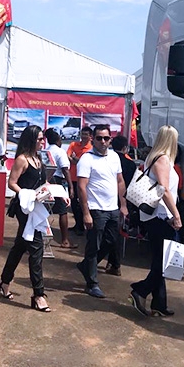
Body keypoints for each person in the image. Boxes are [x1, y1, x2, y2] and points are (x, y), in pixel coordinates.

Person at [0, 125, 53, 312]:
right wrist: (27, 194)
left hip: (37, 206)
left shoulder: (38, 159)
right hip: (25, 208)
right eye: (39, 139)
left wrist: (53, 192)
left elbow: (43, 183)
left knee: (20, 246)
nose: (42, 141)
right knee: (36, 249)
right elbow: (12, 183)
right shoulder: (22, 160)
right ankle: (38, 294)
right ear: (30, 140)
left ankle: (4, 282)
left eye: (42, 138)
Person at [128, 125, 183, 317]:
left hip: (156, 217)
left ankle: (159, 302)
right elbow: (164, 190)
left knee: (160, 260)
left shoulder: (155, 157)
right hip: (161, 217)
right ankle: (141, 290)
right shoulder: (163, 160)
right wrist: (176, 215)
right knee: (163, 263)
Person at [75, 125, 128, 298]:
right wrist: (86, 213)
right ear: (93, 139)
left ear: (110, 139)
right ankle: (92, 283)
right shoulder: (86, 159)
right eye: (99, 138)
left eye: (106, 138)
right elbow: (81, 187)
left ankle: (86, 266)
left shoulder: (114, 157)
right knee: (93, 245)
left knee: (111, 241)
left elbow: (120, 181)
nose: (103, 141)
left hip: (112, 209)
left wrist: (123, 204)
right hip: (96, 209)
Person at [105, 135, 137, 276]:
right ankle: (114, 263)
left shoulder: (109, 159)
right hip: (123, 201)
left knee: (106, 233)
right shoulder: (130, 164)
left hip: (108, 199)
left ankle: (112, 262)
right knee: (118, 233)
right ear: (125, 148)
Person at [44, 128, 76, 249]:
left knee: (45, 210)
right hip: (57, 181)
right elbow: (65, 169)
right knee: (63, 211)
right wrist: (71, 187)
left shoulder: (46, 150)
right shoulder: (60, 152)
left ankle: (42, 237)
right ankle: (65, 240)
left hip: (46, 181)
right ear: (58, 140)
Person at [66, 126, 93, 234]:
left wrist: (76, 159)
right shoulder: (73, 144)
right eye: (83, 134)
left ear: (90, 136)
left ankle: (82, 226)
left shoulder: (91, 149)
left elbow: (84, 163)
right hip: (72, 178)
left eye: (86, 134)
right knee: (73, 203)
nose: (84, 136)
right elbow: (68, 156)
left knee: (83, 203)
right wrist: (77, 160)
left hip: (84, 180)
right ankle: (78, 225)